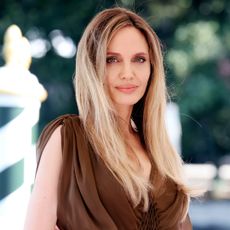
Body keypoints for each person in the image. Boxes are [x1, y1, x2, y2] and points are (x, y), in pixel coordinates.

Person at [24, 7, 195, 230]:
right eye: (112, 60)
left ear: (152, 67)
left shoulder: (160, 151)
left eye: (139, 59)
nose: (127, 72)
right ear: (92, 65)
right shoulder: (68, 138)